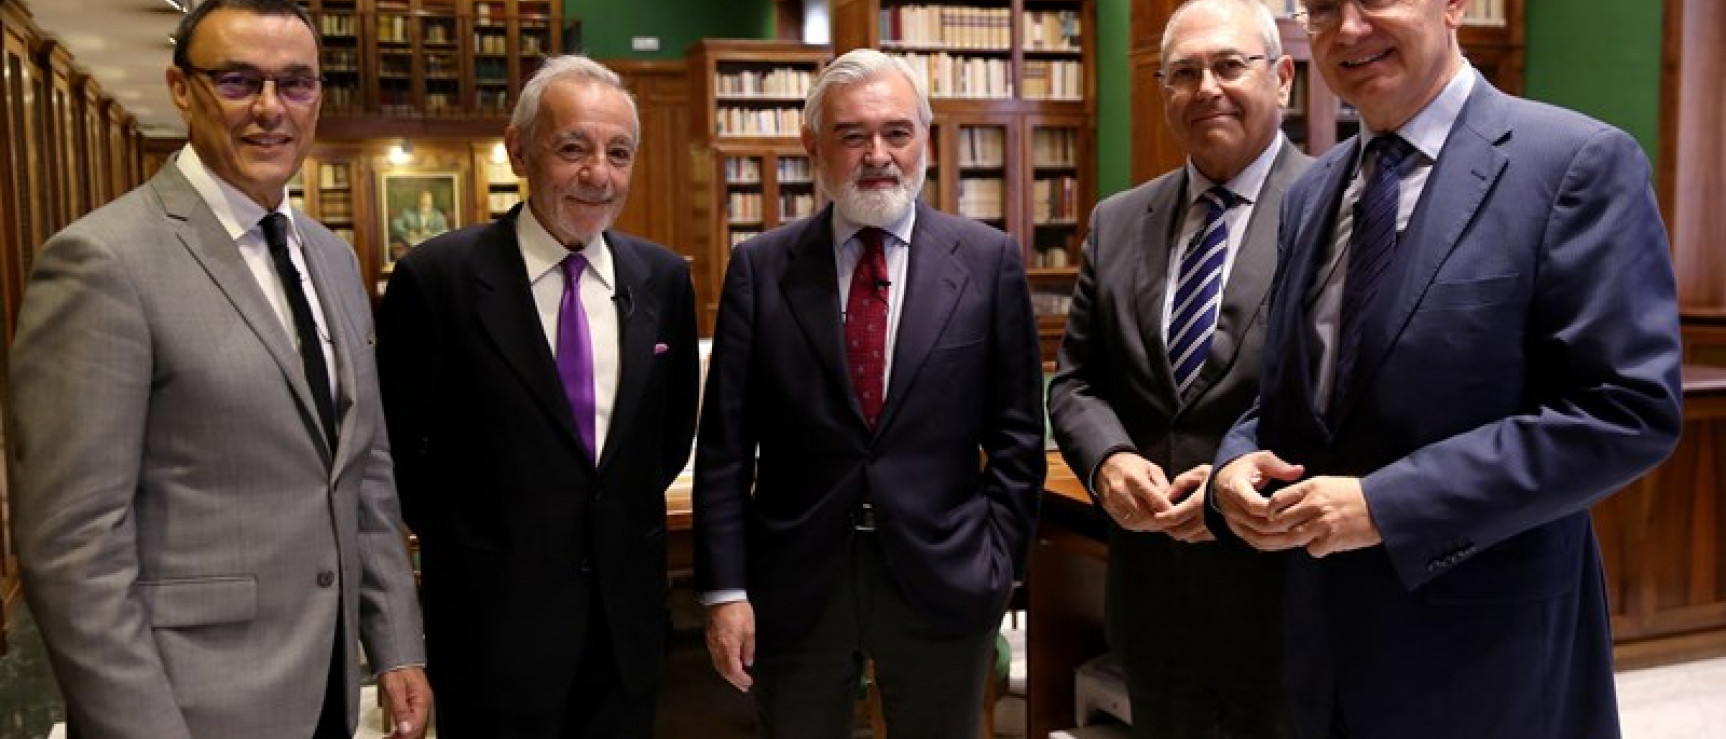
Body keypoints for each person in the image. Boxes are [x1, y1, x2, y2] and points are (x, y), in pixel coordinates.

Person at [1204, 0, 1683, 736]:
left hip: (1490, 660)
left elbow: (1624, 410)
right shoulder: (1311, 193)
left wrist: (1387, 506)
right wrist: (1234, 464)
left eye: (1378, 0)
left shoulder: (1575, 163)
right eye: (1326, 8)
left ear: (1455, 4)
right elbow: (1292, 390)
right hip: (1319, 652)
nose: (1350, 29)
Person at [7, 1, 432, 738]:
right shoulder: (103, 262)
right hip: (188, 702)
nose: (271, 109)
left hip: (328, 681)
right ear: (181, 87)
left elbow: (364, 470)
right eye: (238, 80)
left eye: (295, 83)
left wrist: (395, 642)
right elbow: (73, 545)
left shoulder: (329, 256)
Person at [694, 48, 1046, 738]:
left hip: (945, 575)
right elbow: (726, 449)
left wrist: (998, 560)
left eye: (897, 132)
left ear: (927, 140)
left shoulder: (987, 261)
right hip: (796, 583)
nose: (877, 154)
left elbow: (1016, 437)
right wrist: (726, 588)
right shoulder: (760, 269)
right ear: (813, 146)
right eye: (853, 135)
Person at [376, 55, 698, 738]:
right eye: (573, 148)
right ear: (518, 149)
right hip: (493, 637)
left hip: (625, 635)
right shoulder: (438, 280)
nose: (599, 174)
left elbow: (664, 442)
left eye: (619, 153)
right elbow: (402, 460)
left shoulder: (663, 279)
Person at [1047, 0, 1308, 735]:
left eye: (1230, 65)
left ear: (1283, 76)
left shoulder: (1337, 209)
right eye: (1184, 73)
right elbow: (1076, 381)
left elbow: (1351, 396)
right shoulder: (1119, 220)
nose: (1206, 88)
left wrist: (1240, 477)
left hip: (1287, 597)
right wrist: (1108, 460)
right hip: (1154, 599)